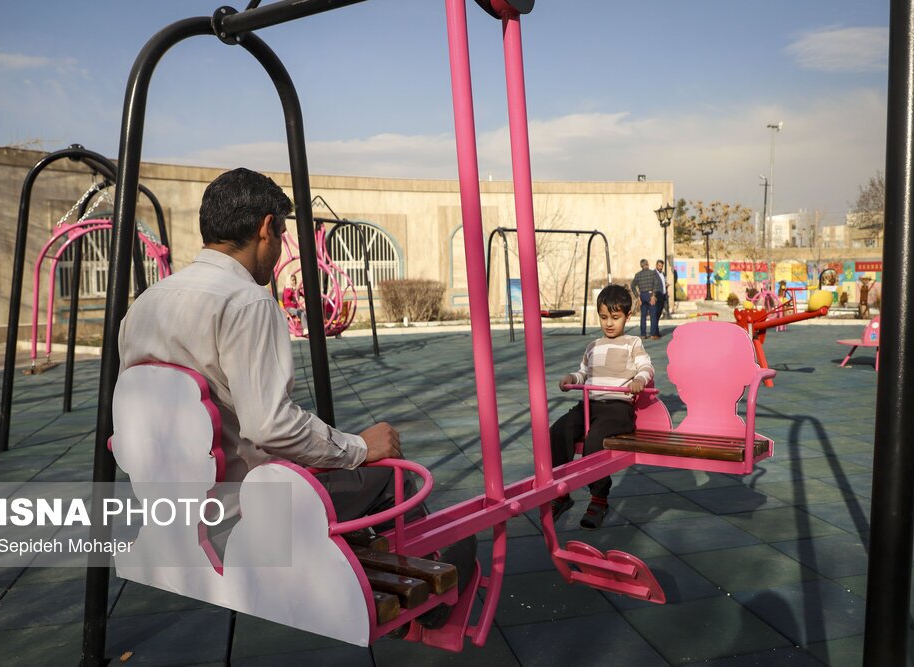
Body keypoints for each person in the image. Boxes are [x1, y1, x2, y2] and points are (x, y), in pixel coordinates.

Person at [118, 169, 475, 611]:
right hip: (243, 514)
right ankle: (420, 596)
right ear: (266, 228)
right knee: (390, 474)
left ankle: (358, 564)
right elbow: (270, 426)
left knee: (320, 460)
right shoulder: (246, 301)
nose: (279, 247)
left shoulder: (145, 305)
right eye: (282, 233)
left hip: (169, 508)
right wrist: (359, 447)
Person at [547, 284, 654, 530]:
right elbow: (584, 373)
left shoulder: (632, 343)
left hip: (617, 408)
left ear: (627, 316)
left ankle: (599, 499)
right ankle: (561, 492)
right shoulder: (593, 345)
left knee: (594, 441)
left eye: (615, 317)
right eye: (604, 317)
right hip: (589, 404)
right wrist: (572, 378)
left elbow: (646, 367)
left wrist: (639, 380)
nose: (609, 323)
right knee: (557, 432)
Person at [630, 259, 661, 339]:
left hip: (642, 296)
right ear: (647, 264)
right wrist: (653, 295)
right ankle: (653, 334)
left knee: (643, 316)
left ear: (641, 266)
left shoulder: (638, 275)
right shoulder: (652, 273)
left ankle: (643, 334)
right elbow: (656, 285)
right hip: (650, 295)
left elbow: (632, 286)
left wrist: (638, 297)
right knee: (653, 316)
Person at [654, 259, 668, 323]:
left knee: (660, 312)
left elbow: (664, 282)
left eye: (662, 266)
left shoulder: (663, 274)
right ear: (656, 265)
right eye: (659, 266)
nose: (660, 267)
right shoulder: (653, 273)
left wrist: (666, 284)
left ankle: (656, 326)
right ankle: (654, 327)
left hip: (663, 295)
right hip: (657, 295)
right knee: (656, 312)